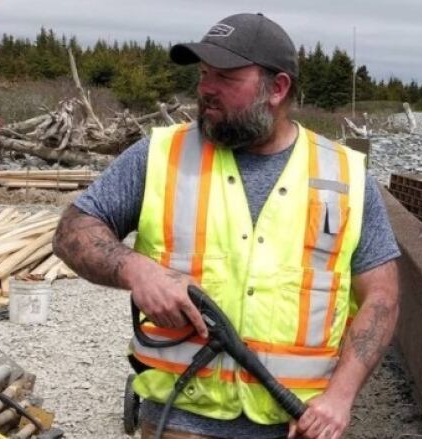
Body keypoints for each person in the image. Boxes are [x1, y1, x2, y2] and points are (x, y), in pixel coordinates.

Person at [53, 12, 400, 439]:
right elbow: (73, 230)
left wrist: (341, 398)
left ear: (277, 88)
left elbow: (381, 296)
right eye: (203, 74)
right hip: (179, 418)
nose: (205, 90)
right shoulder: (161, 154)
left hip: (297, 421)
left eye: (225, 77)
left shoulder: (343, 174)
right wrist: (137, 269)